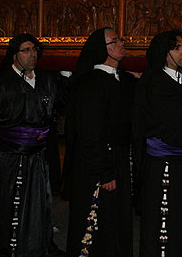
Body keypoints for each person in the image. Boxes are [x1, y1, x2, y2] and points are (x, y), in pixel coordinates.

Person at [0, 33, 63, 256]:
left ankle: (34, 247)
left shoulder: (47, 80)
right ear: (14, 55)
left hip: (38, 156)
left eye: (34, 50)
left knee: (36, 205)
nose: (32, 55)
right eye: (26, 50)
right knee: (5, 205)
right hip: (7, 158)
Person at [133, 30, 182, 257]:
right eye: (177, 47)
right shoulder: (155, 82)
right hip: (165, 166)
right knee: (166, 224)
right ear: (163, 51)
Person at [64, 28, 135, 257]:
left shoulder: (122, 79)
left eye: (120, 39)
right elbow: (90, 131)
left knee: (117, 218)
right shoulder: (92, 83)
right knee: (96, 220)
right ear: (101, 49)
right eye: (114, 41)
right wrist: (104, 171)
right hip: (99, 164)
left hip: (119, 159)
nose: (121, 44)